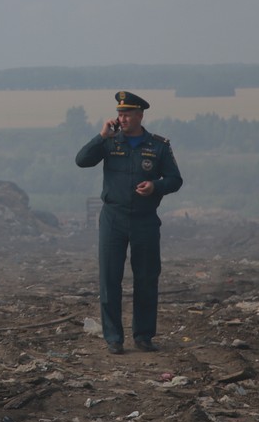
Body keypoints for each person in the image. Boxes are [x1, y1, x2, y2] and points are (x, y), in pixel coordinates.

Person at [75, 91, 183, 354]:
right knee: (109, 278)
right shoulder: (110, 142)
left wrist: (155, 186)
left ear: (140, 115)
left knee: (146, 278)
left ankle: (143, 336)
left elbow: (175, 180)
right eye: (119, 114)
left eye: (127, 114)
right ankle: (114, 338)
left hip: (145, 219)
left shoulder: (158, 146)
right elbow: (81, 160)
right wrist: (101, 136)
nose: (122, 119)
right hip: (113, 218)